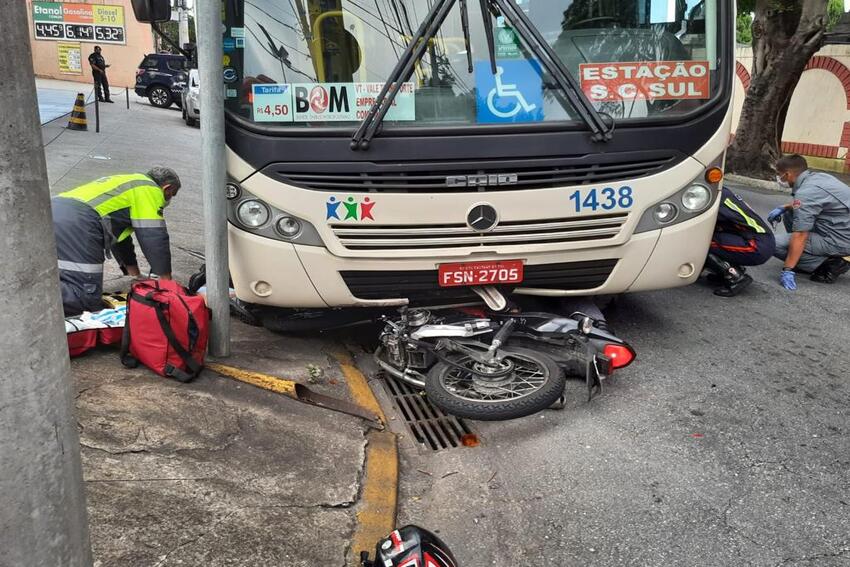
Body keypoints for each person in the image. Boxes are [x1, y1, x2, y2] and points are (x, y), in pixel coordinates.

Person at [52, 167, 181, 316]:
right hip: (80, 220)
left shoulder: (129, 183)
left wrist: (134, 275)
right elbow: (154, 236)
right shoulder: (150, 190)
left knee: (62, 274)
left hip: (55, 210)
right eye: (171, 195)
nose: (168, 199)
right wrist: (167, 282)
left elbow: (121, 239)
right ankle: (34, 303)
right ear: (167, 188)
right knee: (85, 296)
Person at [767, 154, 850, 290]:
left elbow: (800, 234)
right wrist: (784, 207)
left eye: (778, 174)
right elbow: (815, 204)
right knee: (791, 212)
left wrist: (788, 269)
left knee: (771, 244)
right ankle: (808, 254)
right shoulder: (820, 178)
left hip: (841, 239)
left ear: (787, 174)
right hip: (842, 229)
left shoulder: (806, 193)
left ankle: (828, 263)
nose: (778, 178)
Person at [703, 186, 775, 296]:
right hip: (760, 239)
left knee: (702, 243)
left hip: (756, 244)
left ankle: (735, 277)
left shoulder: (714, 195)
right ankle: (724, 272)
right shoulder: (722, 191)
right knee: (712, 238)